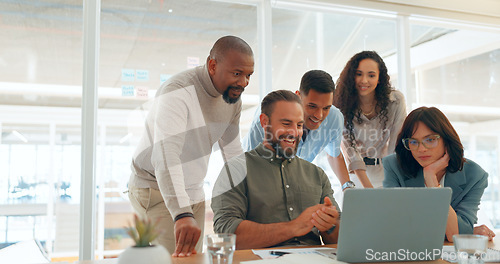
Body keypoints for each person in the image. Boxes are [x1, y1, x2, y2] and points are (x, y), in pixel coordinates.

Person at [127, 36, 254, 257]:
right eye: (237, 73)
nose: (243, 82)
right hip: (155, 188)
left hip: (193, 190)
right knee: (179, 259)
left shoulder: (232, 99)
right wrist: (181, 214)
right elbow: (166, 157)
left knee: (193, 259)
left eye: (248, 75)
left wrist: (251, 196)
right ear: (213, 65)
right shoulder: (178, 91)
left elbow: (233, 153)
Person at [212, 90, 340, 249]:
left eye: (299, 125)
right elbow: (226, 234)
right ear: (264, 121)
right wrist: (295, 227)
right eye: (286, 124)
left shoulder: (317, 174)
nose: (294, 132)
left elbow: (339, 239)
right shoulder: (235, 170)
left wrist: (330, 225)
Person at [383, 106, 488, 242]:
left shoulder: (475, 176)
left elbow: (453, 236)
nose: (421, 149)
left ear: (446, 140)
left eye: (430, 140)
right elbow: (394, 226)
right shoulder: (393, 166)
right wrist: (467, 231)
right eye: (413, 142)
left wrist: (432, 179)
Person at [243, 70, 353, 192]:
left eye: (326, 108)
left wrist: (347, 188)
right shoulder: (268, 118)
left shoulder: (334, 118)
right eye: (312, 106)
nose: (319, 115)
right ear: (298, 96)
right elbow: (253, 167)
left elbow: (334, 155)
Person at [334, 50, 407, 188]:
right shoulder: (340, 104)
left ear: (379, 78)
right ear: (351, 76)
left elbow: (396, 144)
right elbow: (350, 151)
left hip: (385, 171)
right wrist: (369, 189)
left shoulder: (395, 101)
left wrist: (394, 180)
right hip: (355, 176)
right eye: (359, 74)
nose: (364, 80)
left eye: (371, 75)